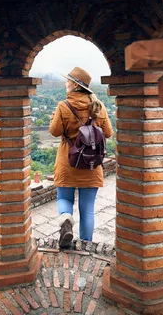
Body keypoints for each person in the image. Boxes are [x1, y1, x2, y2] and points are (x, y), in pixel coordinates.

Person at [49, 67, 113, 247]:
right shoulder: (98, 107)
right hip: (91, 165)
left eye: (68, 81)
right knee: (88, 211)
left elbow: (54, 132)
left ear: (75, 85)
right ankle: (86, 246)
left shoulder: (63, 106)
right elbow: (108, 133)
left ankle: (67, 222)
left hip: (68, 163)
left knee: (64, 199)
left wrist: (55, 118)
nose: (65, 83)